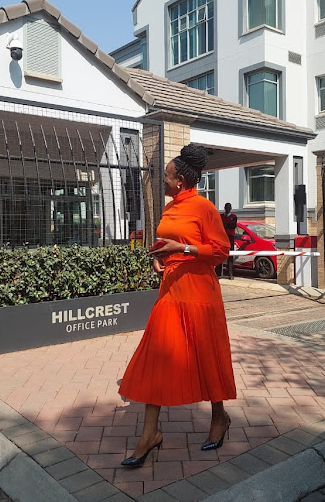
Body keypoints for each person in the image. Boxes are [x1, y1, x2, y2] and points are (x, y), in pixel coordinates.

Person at [118, 144, 236, 468]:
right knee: (158, 356)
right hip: (170, 291)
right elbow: (166, 242)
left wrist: (182, 248)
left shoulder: (204, 208)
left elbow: (220, 250)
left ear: (181, 180)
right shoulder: (170, 209)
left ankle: (219, 417)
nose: (164, 181)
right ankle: (149, 434)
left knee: (207, 358)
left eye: (167, 176)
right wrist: (163, 258)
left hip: (200, 294)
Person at [220, 202, 238, 280]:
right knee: (220, 254)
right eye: (226, 207)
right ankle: (218, 272)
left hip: (230, 237)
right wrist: (226, 224)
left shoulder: (234, 216)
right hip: (222, 237)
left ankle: (230, 274)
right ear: (224, 208)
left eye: (229, 207)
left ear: (230, 208)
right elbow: (220, 225)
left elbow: (233, 225)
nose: (227, 209)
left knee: (230, 255)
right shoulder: (221, 216)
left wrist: (225, 225)